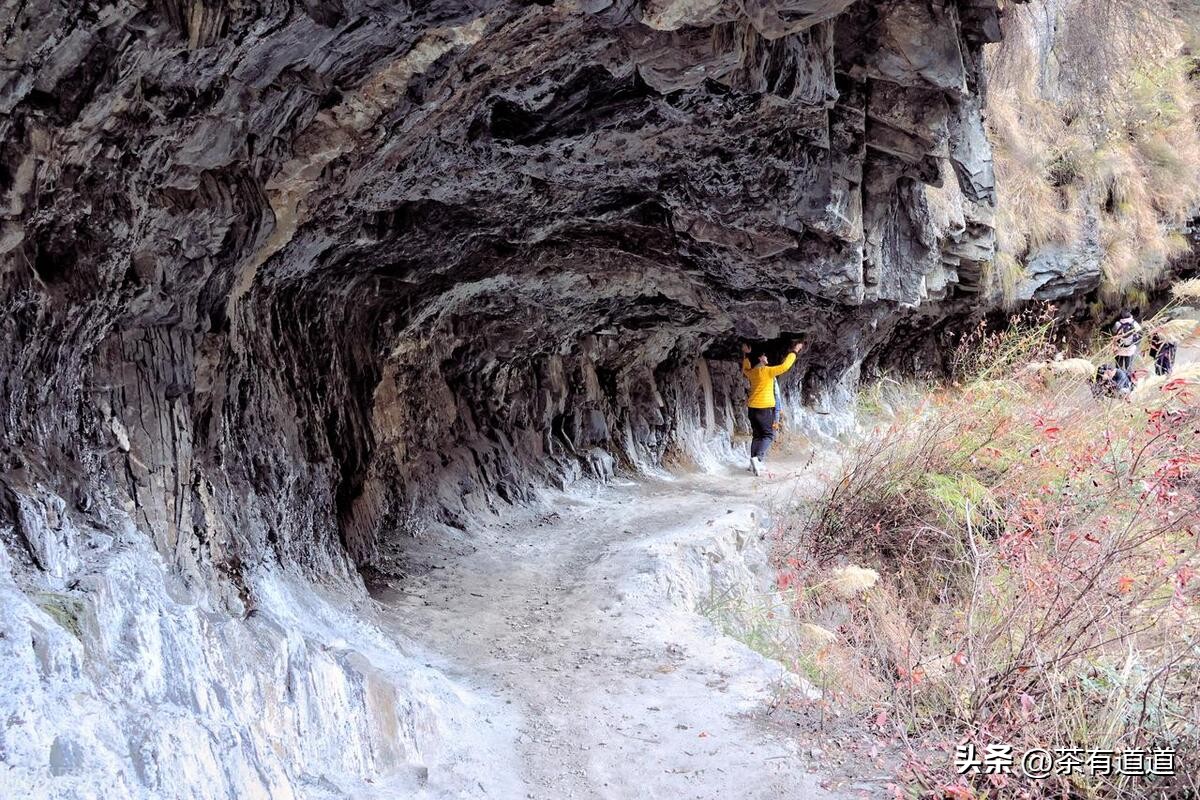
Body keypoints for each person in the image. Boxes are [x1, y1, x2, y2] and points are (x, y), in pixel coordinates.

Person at [741, 341, 803, 476]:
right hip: (763, 409)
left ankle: (753, 464)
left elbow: (745, 369)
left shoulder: (752, 373)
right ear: (760, 358)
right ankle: (758, 460)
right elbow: (785, 366)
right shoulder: (767, 372)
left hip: (752, 409)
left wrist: (746, 354)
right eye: (765, 356)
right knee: (769, 435)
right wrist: (795, 350)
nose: (767, 358)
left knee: (757, 436)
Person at [1112, 309, 1142, 375]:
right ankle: (1128, 379)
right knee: (1128, 367)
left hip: (1119, 349)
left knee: (1118, 367)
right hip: (1130, 349)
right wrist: (1136, 345)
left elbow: (1113, 334)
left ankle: (1118, 378)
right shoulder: (1134, 323)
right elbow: (1140, 334)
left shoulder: (1117, 323)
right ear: (1130, 315)